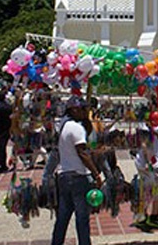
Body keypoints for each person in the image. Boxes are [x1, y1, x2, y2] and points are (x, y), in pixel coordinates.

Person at [51, 97, 103, 245]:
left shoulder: (64, 125)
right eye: (83, 109)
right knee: (82, 218)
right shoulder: (76, 128)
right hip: (78, 177)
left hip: (64, 175)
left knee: (63, 217)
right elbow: (83, 153)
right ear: (74, 110)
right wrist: (96, 174)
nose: (86, 112)